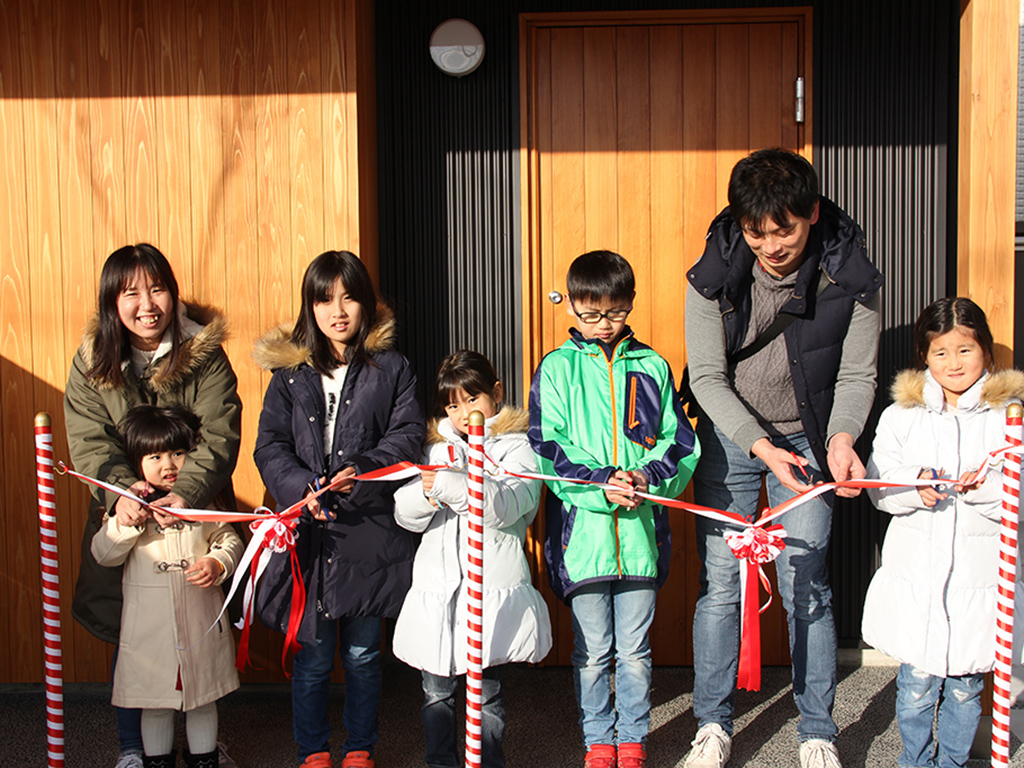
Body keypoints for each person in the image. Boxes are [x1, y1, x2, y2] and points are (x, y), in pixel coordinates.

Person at [682, 148, 882, 768]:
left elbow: (857, 376)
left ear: (811, 213)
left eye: (784, 230)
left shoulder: (852, 276)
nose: (770, 245)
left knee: (807, 583)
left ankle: (817, 729)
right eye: (755, 231)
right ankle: (712, 725)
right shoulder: (711, 274)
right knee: (721, 585)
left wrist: (843, 439)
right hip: (734, 438)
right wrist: (760, 446)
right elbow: (708, 379)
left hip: (811, 438)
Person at [64, 243, 242, 768]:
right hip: (126, 515)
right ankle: (133, 750)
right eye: (130, 292)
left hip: (197, 513)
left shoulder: (203, 352)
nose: (147, 304)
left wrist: (186, 492)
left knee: (199, 625)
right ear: (111, 301)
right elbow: (90, 441)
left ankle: (205, 747)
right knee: (132, 630)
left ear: (173, 292)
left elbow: (220, 432)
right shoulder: (93, 359)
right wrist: (124, 496)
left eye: (157, 288)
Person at [253, 250, 425, 768]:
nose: (338, 310)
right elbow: (269, 445)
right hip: (307, 530)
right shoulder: (289, 373)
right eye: (325, 298)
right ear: (310, 306)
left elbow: (407, 435)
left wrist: (364, 469)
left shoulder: (391, 368)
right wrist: (301, 487)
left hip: (368, 531)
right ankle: (313, 752)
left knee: (364, 655)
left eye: (349, 296)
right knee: (311, 658)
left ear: (366, 303)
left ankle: (359, 749)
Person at [528, 250, 700, 768]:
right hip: (584, 539)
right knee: (594, 649)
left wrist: (646, 477)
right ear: (573, 307)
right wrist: (601, 483)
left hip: (641, 538)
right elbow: (546, 444)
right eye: (592, 314)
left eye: (616, 312)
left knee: (635, 650)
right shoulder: (555, 368)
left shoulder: (651, 365)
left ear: (630, 304)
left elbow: (680, 442)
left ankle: (633, 739)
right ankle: (598, 739)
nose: (604, 324)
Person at [862, 298, 1020, 768]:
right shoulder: (901, 416)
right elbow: (877, 486)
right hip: (918, 581)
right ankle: (915, 759)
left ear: (986, 353)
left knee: (967, 688)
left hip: (979, 582)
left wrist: (985, 488)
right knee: (915, 687)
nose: (954, 363)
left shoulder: (1008, 418)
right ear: (924, 358)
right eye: (941, 353)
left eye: (965, 351)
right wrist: (915, 487)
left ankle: (952, 762)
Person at [393, 349, 553, 768]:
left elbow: (512, 505)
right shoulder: (433, 448)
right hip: (438, 592)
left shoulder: (517, 448)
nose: (465, 412)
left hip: (489, 592)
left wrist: (456, 484)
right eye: (453, 403)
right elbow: (405, 514)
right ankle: (440, 762)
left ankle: (489, 762)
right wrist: (427, 492)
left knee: (487, 694)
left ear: (496, 394)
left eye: (473, 398)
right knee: (436, 692)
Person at [91, 405, 244, 768]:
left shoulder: (202, 501)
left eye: (178, 453)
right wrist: (125, 523)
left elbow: (230, 540)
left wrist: (217, 562)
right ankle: (156, 761)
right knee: (155, 703)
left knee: (203, 698)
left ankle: (204, 760)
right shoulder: (127, 508)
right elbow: (104, 554)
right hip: (149, 632)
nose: (169, 465)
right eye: (155, 456)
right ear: (135, 461)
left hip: (201, 623)